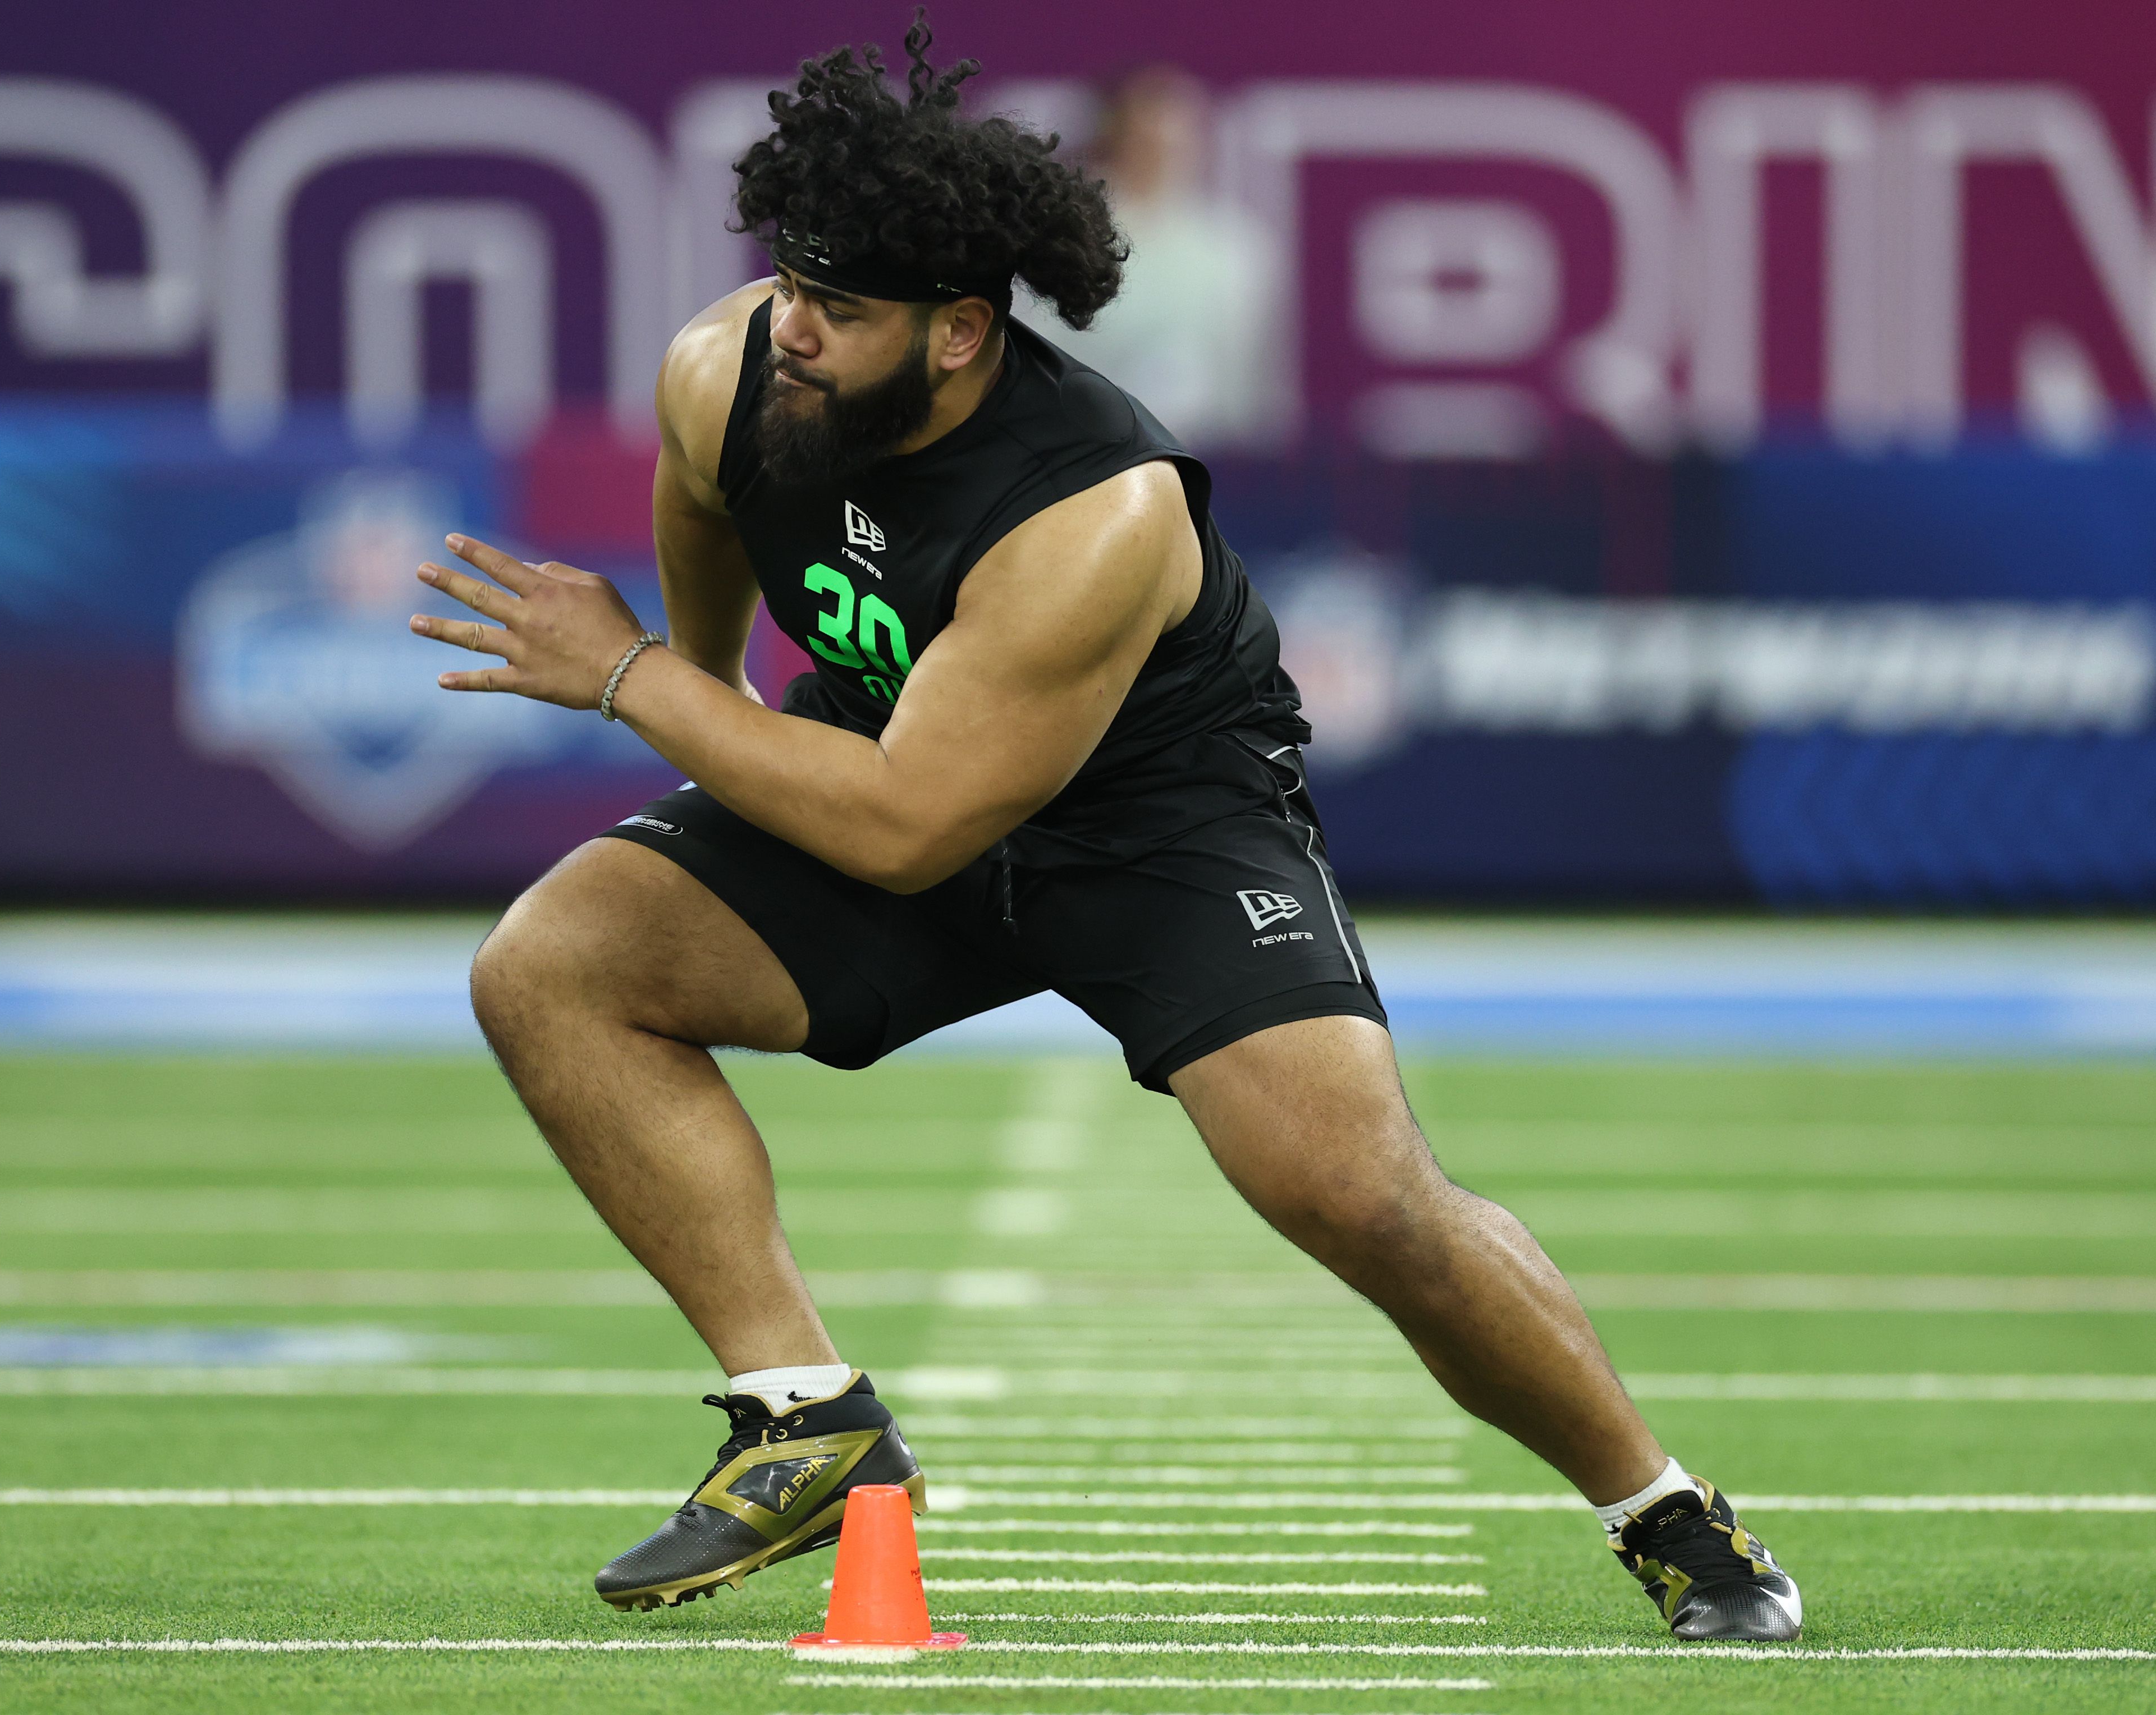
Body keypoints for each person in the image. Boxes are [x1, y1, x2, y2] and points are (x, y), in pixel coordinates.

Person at [409, 15, 1802, 1642]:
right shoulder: (733, 365)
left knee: (1357, 1194)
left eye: (838, 313)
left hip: (1156, 827)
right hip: (894, 762)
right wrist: (699, 694)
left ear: (957, 335)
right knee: (553, 965)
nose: (790, 331)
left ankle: (1671, 1514)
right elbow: (706, 497)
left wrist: (635, 676)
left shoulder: (1093, 508)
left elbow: (915, 831)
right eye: (789, 286)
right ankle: (803, 1412)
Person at [1043, 65, 1283, 447]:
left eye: (1182, 133)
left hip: (1204, 465)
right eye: (1149, 133)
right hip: (1076, 451)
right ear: (1114, 135)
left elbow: (1245, 389)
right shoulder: (1060, 234)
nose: (1167, 149)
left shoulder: (1235, 247)